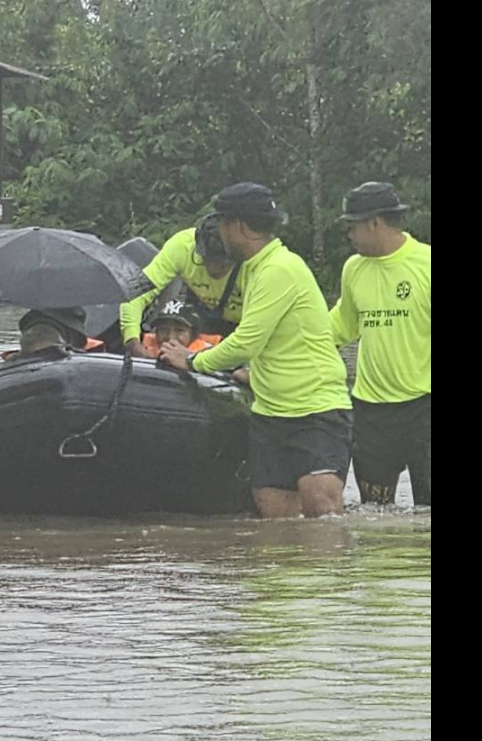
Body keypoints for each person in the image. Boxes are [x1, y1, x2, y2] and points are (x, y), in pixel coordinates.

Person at [159, 183, 351, 519]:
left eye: (220, 224)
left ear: (236, 225)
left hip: (316, 409)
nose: (218, 233)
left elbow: (247, 340)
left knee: (322, 511)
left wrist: (192, 361)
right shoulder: (253, 269)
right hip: (270, 412)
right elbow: (267, 339)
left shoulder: (278, 269)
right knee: (275, 522)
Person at [329, 182, 431, 506]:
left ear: (374, 222)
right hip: (370, 412)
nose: (349, 235)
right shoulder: (353, 269)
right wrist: (285, 350)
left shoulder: (425, 265)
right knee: (375, 514)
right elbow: (339, 326)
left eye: (352, 226)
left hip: (423, 407)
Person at [120, 212, 244, 357]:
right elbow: (135, 294)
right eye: (207, 260)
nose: (214, 270)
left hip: (247, 324)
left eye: (223, 264)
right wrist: (133, 343)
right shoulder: (182, 246)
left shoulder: (259, 263)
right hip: (201, 316)